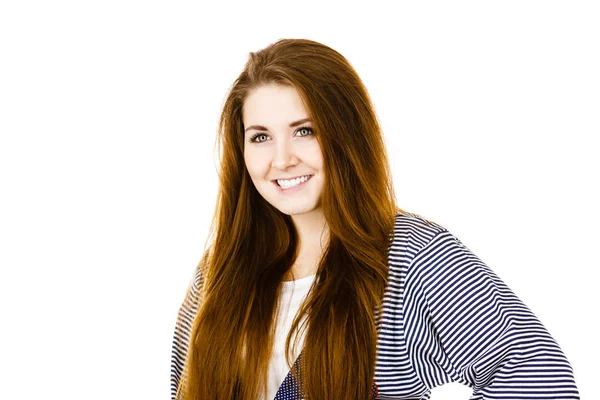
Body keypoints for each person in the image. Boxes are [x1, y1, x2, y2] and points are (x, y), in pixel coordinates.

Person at [170, 38, 579, 400]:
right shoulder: (218, 272)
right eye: (260, 136)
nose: (281, 159)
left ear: (345, 134)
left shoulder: (414, 256)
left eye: (305, 131)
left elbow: (541, 380)